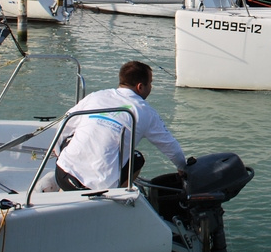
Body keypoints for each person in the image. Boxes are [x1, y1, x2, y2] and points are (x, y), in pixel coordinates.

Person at [54, 60, 189, 191]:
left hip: (63, 174)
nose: (151, 87)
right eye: (150, 83)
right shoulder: (146, 111)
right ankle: (119, 196)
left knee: (74, 136)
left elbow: (64, 125)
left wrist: (57, 152)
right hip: (96, 187)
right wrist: (182, 167)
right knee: (136, 158)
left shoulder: (96, 96)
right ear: (140, 87)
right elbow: (170, 146)